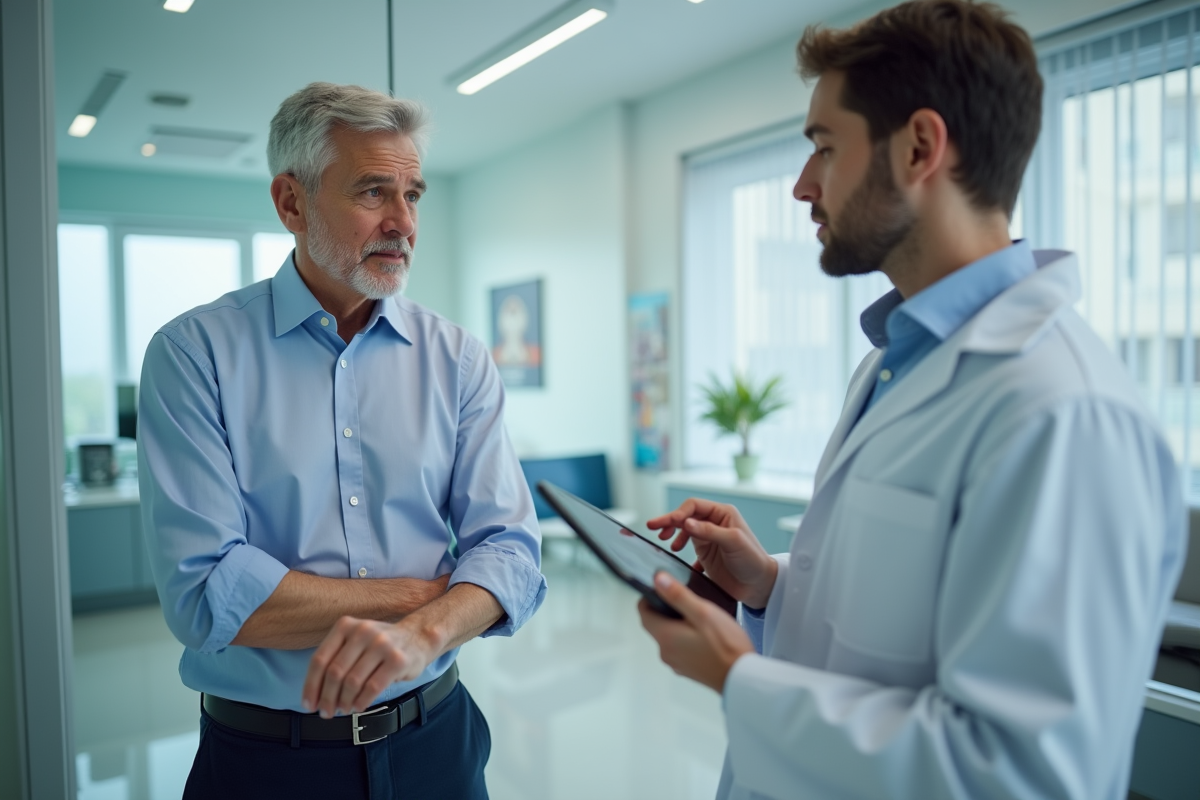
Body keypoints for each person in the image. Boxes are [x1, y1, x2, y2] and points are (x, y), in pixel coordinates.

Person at [638, 2, 1186, 798]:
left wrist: (738, 677)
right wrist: (771, 585)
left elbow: (1023, 772)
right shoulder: (898, 362)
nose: (801, 185)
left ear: (921, 147)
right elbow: (903, 619)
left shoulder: (1064, 413)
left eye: (825, 147)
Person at [137, 82, 546, 799]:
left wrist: (425, 633)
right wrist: (429, 595)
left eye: (413, 194)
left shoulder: (457, 358)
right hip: (267, 761)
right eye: (372, 193)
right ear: (291, 203)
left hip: (437, 740)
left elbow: (511, 554)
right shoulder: (193, 354)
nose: (403, 222)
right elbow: (207, 596)